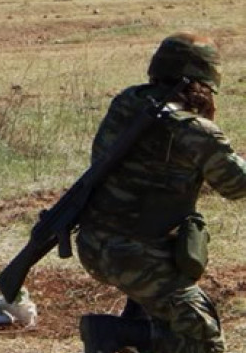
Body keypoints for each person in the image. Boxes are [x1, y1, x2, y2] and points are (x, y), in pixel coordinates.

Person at [76, 32, 246, 353]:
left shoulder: (127, 103)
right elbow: (236, 185)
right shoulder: (194, 131)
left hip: (95, 243)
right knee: (203, 339)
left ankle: (132, 326)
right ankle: (115, 334)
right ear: (204, 83)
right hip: (135, 256)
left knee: (167, 312)